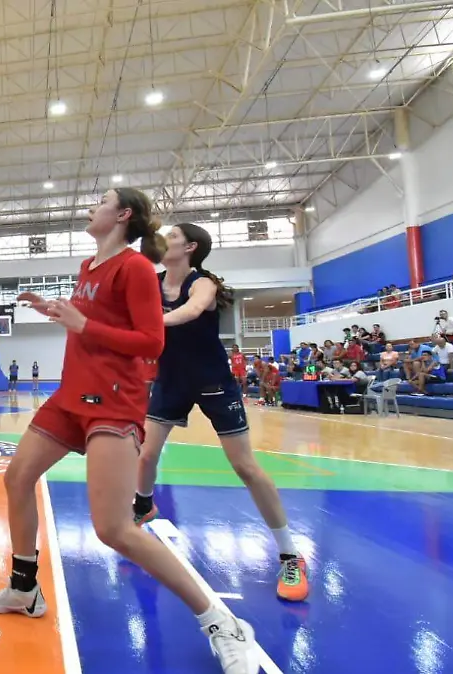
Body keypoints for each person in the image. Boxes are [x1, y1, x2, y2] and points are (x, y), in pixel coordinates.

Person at [0, 188, 260, 674]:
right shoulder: (89, 268)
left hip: (113, 401)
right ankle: (24, 588)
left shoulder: (134, 269)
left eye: (100, 201)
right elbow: (93, 325)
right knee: (16, 477)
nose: (91, 207)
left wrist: (83, 324)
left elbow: (150, 340)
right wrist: (59, 312)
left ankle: (222, 621)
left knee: (114, 530)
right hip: (71, 397)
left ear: (122, 215)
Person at [132, 222, 309, 603]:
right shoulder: (152, 281)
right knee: (145, 455)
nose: (162, 241)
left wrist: (146, 324)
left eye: (171, 236)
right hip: (170, 382)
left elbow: (191, 312)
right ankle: (143, 505)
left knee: (245, 467)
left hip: (213, 381)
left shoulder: (203, 283)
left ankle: (291, 554)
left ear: (190, 247)